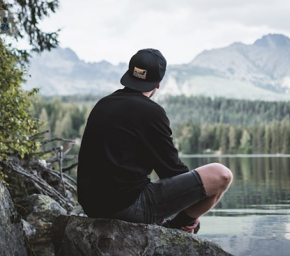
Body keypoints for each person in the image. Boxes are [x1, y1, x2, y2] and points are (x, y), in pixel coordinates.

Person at [77, 48, 233, 233]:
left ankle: (172, 225)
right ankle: (178, 227)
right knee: (221, 175)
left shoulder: (103, 104)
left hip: (92, 206)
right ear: (157, 84)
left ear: (129, 74)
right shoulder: (151, 112)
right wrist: (194, 206)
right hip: (125, 208)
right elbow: (171, 171)